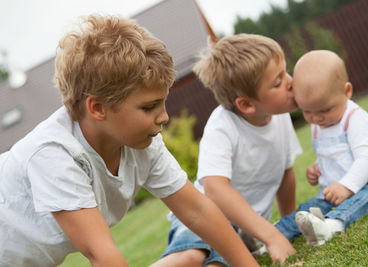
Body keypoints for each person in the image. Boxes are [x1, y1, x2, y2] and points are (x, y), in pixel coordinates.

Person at [0, 15, 260, 267]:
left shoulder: (143, 145)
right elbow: (100, 253)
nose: (164, 117)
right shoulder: (54, 154)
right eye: (149, 107)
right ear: (98, 108)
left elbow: (198, 211)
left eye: (163, 102)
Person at [153, 34, 302, 267]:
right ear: (247, 105)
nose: (291, 82)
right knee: (191, 257)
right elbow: (215, 189)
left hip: (242, 232)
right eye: (278, 82)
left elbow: (286, 174)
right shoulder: (223, 127)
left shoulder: (279, 118)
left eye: (286, 72)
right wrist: (271, 236)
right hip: (204, 220)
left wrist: (288, 224)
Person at [274, 50, 368, 247]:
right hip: (339, 186)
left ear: (347, 91)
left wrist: (347, 186)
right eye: (307, 111)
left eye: (325, 110)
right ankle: (273, 234)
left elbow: (366, 158)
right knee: (310, 207)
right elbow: (335, 154)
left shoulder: (355, 118)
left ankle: (332, 225)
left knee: (361, 199)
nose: (316, 118)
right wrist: (318, 167)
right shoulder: (320, 124)